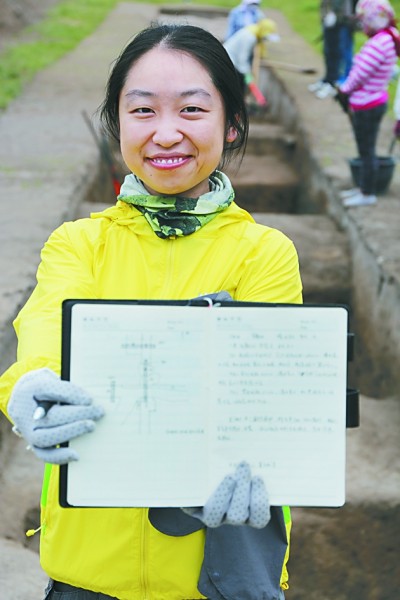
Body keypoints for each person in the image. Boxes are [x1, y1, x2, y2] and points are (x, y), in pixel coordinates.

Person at [0, 23, 302, 600]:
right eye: (142, 111)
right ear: (118, 124)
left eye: (192, 110)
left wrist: (266, 453)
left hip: (210, 581)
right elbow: (45, 329)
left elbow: (268, 398)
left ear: (232, 123)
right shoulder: (77, 244)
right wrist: (29, 386)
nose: (166, 134)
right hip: (88, 577)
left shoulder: (264, 254)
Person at [336, 0, 400, 207]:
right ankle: (363, 187)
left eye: (364, 19)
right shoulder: (388, 37)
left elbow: (359, 74)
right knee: (365, 149)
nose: (362, 24)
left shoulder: (380, 43)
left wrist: (344, 90)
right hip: (372, 101)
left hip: (368, 105)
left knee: (367, 149)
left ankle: (367, 192)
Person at [308, 0, 357, 99]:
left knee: (341, 52)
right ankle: (328, 79)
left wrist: (336, 13)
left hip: (343, 20)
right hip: (330, 17)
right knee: (328, 51)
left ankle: (336, 83)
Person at [223, 18, 279, 104]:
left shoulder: (255, 30)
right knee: (238, 84)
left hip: (236, 59)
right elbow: (242, 59)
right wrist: (247, 74)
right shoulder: (249, 37)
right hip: (230, 59)